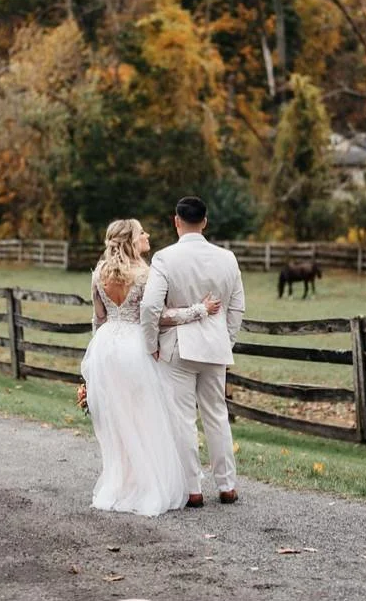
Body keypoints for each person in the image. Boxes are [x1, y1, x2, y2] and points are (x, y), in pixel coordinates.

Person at [81, 218, 221, 516]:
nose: (147, 235)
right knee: (147, 417)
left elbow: (99, 319)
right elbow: (157, 316)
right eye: (141, 232)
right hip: (134, 348)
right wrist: (199, 310)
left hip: (106, 349)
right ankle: (148, 487)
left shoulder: (99, 274)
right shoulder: (145, 274)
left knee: (119, 419)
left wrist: (94, 359)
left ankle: (121, 485)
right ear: (131, 240)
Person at [141, 196, 245, 507]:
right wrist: (225, 338)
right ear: (205, 221)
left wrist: (151, 344)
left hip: (177, 349)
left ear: (176, 221)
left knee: (183, 419)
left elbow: (149, 307)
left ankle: (193, 489)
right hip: (215, 348)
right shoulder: (227, 258)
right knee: (217, 415)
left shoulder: (164, 258)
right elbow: (237, 307)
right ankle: (227, 486)